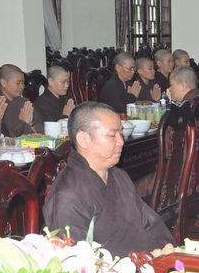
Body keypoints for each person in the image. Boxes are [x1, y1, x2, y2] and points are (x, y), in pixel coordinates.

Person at [43, 101, 175, 258]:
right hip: (116, 270)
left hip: (149, 262)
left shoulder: (118, 176)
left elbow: (152, 225)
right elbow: (76, 259)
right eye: (112, 135)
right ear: (84, 139)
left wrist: (168, 254)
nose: (121, 142)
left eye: (121, 134)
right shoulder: (68, 195)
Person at [0, 64, 36, 137]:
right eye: (18, 83)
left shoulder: (25, 102)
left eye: (23, 82)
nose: (22, 86)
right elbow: (7, 137)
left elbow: (40, 129)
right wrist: (22, 122)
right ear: (4, 82)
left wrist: (31, 124)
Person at [33, 65, 75, 132]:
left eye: (68, 82)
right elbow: (51, 131)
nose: (67, 85)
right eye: (63, 82)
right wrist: (65, 116)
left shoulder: (67, 100)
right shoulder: (41, 103)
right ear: (51, 81)